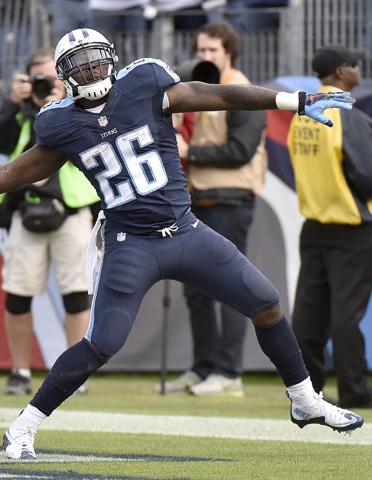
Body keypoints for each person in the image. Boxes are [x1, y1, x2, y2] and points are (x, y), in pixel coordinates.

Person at [0, 28, 365, 460]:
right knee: (103, 342)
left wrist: (294, 100)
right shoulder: (58, 124)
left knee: (266, 302)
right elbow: (10, 173)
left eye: (95, 62)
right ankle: (24, 424)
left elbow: (215, 94)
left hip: (185, 230)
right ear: (64, 77)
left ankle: (305, 401)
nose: (90, 72)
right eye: (78, 66)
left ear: (111, 61)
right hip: (130, 241)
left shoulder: (145, 83)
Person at [286, 44, 372, 409]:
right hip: (351, 229)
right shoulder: (346, 112)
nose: (359, 70)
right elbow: (371, 178)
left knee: (309, 315)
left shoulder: (303, 113)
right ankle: (355, 390)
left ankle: (308, 391)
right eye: (355, 65)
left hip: (314, 226)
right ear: (340, 73)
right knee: (346, 317)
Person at [0, 47, 99, 396]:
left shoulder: (79, 108)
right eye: (40, 78)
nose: (46, 84)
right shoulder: (19, 113)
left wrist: (63, 100)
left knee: (77, 294)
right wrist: (11, 104)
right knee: (17, 294)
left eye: (53, 77)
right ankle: (20, 371)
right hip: (24, 210)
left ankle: (74, 373)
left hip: (73, 208)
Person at [160, 21, 266, 397]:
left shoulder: (244, 91)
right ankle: (203, 367)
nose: (204, 58)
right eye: (200, 51)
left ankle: (230, 373)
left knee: (231, 287)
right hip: (195, 199)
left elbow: (241, 151)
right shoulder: (196, 87)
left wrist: (191, 153)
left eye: (212, 52)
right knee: (195, 291)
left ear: (229, 53)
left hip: (230, 199)